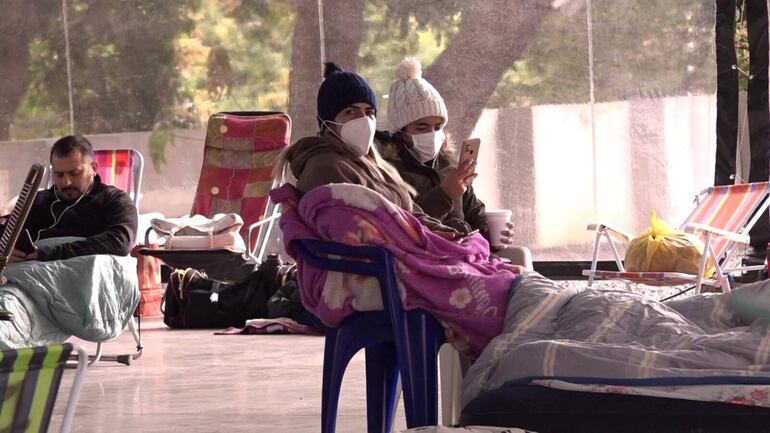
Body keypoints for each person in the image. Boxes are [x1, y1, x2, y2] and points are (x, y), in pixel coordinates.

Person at [283, 61, 464, 238]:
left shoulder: (373, 164)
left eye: (369, 112)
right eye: (351, 112)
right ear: (327, 122)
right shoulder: (325, 167)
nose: (364, 119)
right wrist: (429, 239)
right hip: (379, 265)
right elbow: (369, 233)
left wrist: (440, 233)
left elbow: (410, 215)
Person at [375, 57, 514, 250]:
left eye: (438, 126)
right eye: (422, 127)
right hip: (428, 262)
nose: (431, 134)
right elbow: (403, 227)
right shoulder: (387, 172)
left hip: (467, 257)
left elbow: (473, 212)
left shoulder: (448, 166)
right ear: (400, 130)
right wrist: (444, 194)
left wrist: (491, 232)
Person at [4, 135, 138, 262]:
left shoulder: (115, 200)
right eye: (59, 174)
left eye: (74, 173)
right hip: (27, 274)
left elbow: (121, 240)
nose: (66, 182)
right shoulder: (35, 201)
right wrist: (5, 250)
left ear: (94, 168)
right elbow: (5, 233)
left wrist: (53, 253)